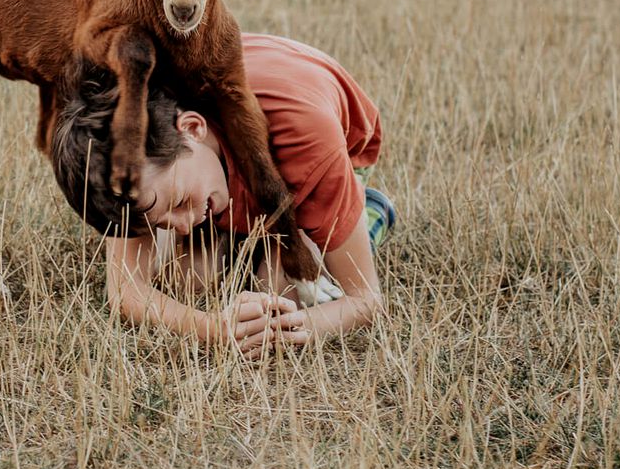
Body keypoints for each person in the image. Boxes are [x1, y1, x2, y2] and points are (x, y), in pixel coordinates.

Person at [49, 33, 396, 359]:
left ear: (192, 128)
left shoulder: (306, 141)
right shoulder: (127, 151)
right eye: (162, 222)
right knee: (187, 277)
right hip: (226, 172)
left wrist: (297, 328)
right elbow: (126, 290)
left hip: (318, 158)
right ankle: (252, 234)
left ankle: (369, 211)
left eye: (179, 202)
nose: (183, 227)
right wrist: (214, 327)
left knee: (283, 292)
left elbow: (365, 299)